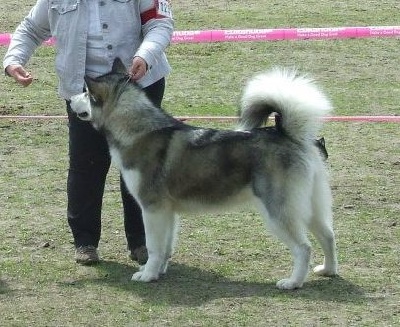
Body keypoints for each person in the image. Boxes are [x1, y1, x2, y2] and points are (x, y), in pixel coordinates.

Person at [3, 0, 174, 265]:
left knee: (141, 166)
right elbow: (31, 28)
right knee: (86, 165)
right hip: (82, 92)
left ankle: (142, 241)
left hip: (138, 84)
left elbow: (160, 23)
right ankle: (85, 242)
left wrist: (145, 55)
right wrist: (14, 60)